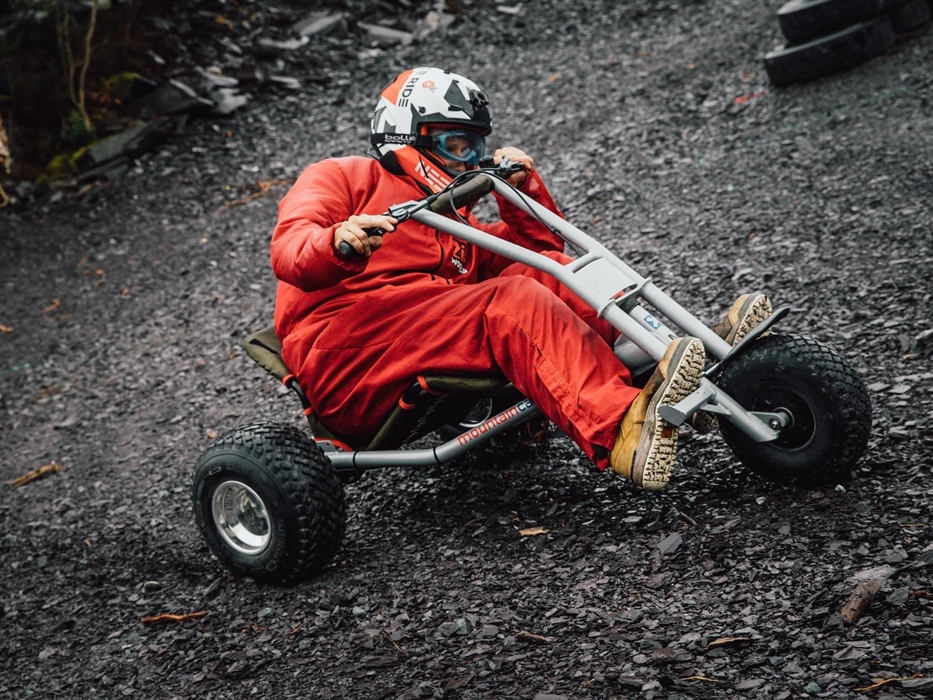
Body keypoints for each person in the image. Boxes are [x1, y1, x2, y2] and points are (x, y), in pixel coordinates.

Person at [270, 67, 771, 490]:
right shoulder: (341, 176)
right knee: (508, 300)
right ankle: (619, 429)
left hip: (414, 336)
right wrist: (337, 242)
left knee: (543, 277)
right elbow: (290, 248)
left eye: (475, 147)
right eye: (456, 144)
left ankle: (667, 358)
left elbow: (542, 256)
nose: (469, 160)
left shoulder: (450, 224)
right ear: (407, 136)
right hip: (348, 355)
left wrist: (521, 191)